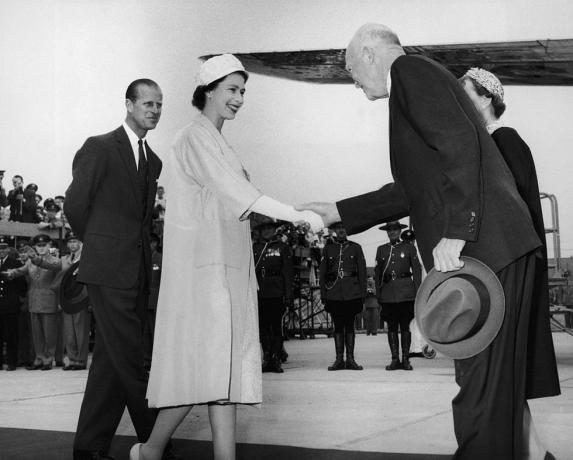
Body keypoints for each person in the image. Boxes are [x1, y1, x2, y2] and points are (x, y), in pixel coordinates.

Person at [300, 23, 559, 459]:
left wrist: (458, 230)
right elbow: (414, 188)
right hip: (498, 251)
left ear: (369, 52)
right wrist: (339, 211)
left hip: (485, 251)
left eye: (350, 68)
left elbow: (460, 144)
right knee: (492, 398)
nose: (353, 80)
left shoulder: (409, 72)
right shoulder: (415, 80)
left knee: (480, 400)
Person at [132, 54, 322, 460]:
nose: (239, 98)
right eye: (233, 90)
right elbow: (241, 194)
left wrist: (300, 213)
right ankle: (149, 450)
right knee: (206, 371)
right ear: (209, 90)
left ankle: (184, 453)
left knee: (226, 371)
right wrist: (297, 213)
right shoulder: (192, 138)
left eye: (243, 91)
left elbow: (242, 201)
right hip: (204, 274)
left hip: (229, 270)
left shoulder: (219, 142)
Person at [460, 67, 561, 456]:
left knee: (504, 371)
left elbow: (509, 212)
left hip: (507, 270)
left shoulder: (505, 140)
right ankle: (535, 452)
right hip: (501, 269)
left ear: (486, 98)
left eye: (464, 92)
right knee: (506, 375)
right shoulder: (491, 142)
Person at [65, 78, 165, 460]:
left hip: (135, 274)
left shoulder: (153, 161)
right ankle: (156, 442)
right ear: (128, 104)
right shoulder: (100, 147)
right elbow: (75, 204)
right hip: (108, 270)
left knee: (110, 361)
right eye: (147, 104)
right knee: (132, 357)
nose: (154, 110)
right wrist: (101, 246)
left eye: (159, 105)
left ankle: (89, 447)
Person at [3, 234, 61, 370]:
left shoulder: (55, 261)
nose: (41, 248)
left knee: (49, 333)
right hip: (34, 301)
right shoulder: (30, 262)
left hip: (48, 301)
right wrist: (10, 273)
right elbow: (21, 271)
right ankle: (39, 358)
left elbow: (50, 267)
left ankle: (48, 359)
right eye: (38, 246)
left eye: (44, 245)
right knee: (37, 334)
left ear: (49, 245)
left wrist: (34, 258)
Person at [33, 231, 90, 370]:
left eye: (75, 241)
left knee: (80, 331)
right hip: (66, 298)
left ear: (81, 243)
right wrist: (36, 259)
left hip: (81, 298)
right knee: (69, 331)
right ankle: (72, 359)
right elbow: (51, 265)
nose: (72, 245)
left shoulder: (88, 259)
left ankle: (81, 360)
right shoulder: (64, 259)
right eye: (70, 242)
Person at [319, 221, 367, 371]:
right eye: (338, 228)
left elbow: (362, 272)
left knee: (350, 325)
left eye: (344, 227)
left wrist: (362, 294)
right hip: (334, 293)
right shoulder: (328, 249)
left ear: (348, 230)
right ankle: (339, 359)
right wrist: (323, 293)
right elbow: (322, 273)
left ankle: (350, 359)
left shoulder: (356, 248)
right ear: (334, 230)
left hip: (352, 292)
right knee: (338, 326)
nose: (341, 230)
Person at [375, 221, 422, 371]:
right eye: (390, 230)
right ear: (387, 232)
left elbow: (416, 271)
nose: (392, 232)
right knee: (392, 327)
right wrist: (379, 294)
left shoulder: (409, 247)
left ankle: (406, 360)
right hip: (388, 293)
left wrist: (418, 293)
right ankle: (395, 360)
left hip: (406, 293)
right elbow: (377, 275)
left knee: (405, 327)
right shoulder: (381, 250)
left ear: (399, 231)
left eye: (395, 230)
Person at [253, 217, 294, 373]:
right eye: (264, 229)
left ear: (274, 230)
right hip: (260, 291)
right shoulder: (255, 247)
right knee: (262, 327)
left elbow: (288, 273)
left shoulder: (282, 247)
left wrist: (288, 294)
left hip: (277, 292)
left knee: (276, 326)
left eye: (269, 228)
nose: (267, 231)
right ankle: (267, 357)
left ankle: (276, 359)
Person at [0, 235, 27, 370]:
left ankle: (12, 362)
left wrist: (19, 300)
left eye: (4, 248)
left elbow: (22, 285)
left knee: (11, 335)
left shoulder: (15, 263)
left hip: (10, 304)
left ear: (9, 249)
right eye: (0, 248)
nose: (1, 251)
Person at [143, 232, 162, 371]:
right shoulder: (142, 259)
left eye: (151, 242)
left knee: (155, 331)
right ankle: (146, 358)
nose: (149, 245)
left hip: (156, 301)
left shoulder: (160, 259)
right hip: (144, 301)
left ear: (155, 243)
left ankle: (156, 359)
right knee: (145, 332)